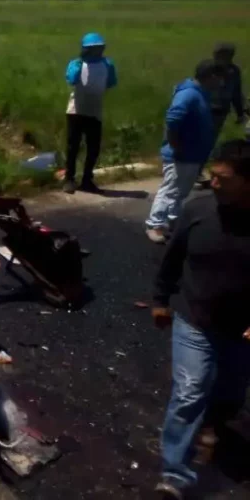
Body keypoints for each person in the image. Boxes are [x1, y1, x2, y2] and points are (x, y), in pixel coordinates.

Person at [150, 139, 250, 500]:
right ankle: (175, 475)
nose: (214, 184)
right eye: (212, 176)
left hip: (241, 330)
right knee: (191, 390)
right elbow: (171, 260)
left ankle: (214, 424)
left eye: (223, 178)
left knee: (229, 393)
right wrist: (160, 300)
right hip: (194, 318)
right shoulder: (197, 211)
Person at [146, 60, 226, 244]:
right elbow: (173, 119)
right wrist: (175, 145)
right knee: (171, 189)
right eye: (220, 77)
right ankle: (155, 224)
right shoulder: (189, 94)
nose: (222, 82)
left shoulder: (200, 93)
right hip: (181, 153)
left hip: (192, 153)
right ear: (211, 76)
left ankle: (172, 222)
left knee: (181, 191)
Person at [62, 32, 118, 194]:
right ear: (86, 49)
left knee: (93, 148)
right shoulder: (77, 63)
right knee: (73, 147)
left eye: (99, 48)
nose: (97, 51)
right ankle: (69, 179)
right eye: (93, 48)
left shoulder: (107, 64)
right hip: (76, 110)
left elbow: (111, 82)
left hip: (95, 110)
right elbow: (71, 79)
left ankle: (87, 179)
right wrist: (77, 68)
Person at [210, 42, 247, 138]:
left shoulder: (234, 72)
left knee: (212, 136)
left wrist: (240, 113)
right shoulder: (209, 69)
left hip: (222, 110)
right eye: (215, 55)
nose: (216, 58)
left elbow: (236, 93)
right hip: (206, 109)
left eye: (220, 56)